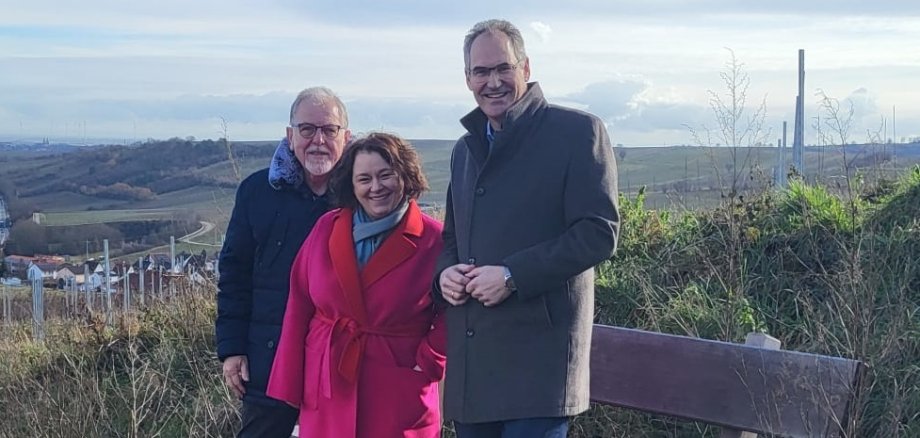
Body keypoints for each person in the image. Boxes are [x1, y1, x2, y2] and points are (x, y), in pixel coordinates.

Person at [435, 19, 620, 438]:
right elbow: (452, 238)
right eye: (481, 72)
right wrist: (444, 274)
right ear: (467, 79)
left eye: (503, 68)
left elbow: (598, 231)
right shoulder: (465, 150)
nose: (493, 81)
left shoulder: (577, 133)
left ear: (526, 67)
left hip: (540, 369)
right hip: (474, 371)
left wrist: (512, 276)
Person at [267, 132, 447, 438]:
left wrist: (429, 362)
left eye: (385, 175)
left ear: (406, 175)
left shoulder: (435, 239)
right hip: (327, 381)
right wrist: (290, 382)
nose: (376, 187)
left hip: (396, 385)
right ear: (352, 185)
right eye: (364, 179)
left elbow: (454, 310)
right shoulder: (327, 228)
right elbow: (299, 304)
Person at [215, 86, 351, 437]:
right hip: (267, 359)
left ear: (346, 138)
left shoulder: (362, 194)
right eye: (307, 129)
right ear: (290, 136)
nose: (318, 140)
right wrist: (232, 348)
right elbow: (234, 273)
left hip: (341, 364)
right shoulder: (257, 192)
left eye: (329, 130)